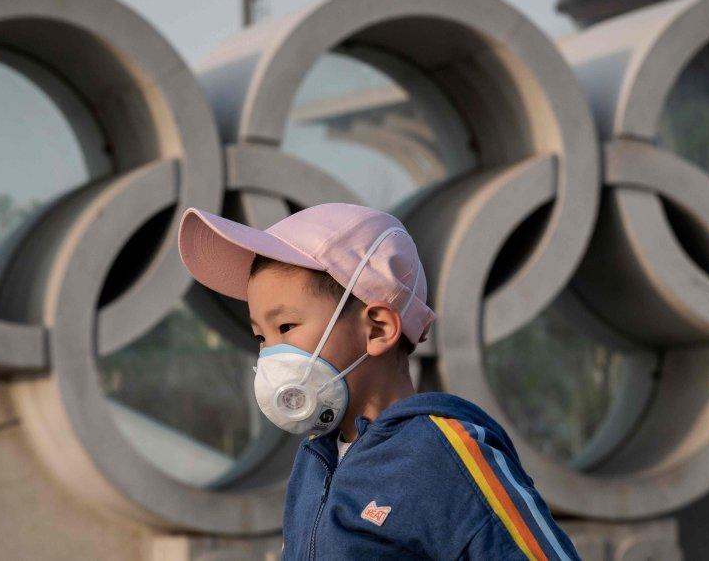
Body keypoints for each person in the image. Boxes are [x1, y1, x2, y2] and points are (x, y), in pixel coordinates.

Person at [177, 202, 581, 560]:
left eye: (286, 326)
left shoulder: (444, 453)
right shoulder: (314, 458)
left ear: (377, 329)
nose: (271, 354)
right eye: (261, 337)